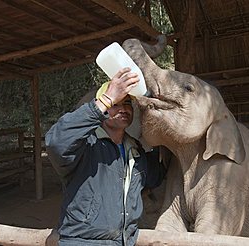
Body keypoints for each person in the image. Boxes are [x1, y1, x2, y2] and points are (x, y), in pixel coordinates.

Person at [45, 67, 167, 246]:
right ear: (101, 106)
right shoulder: (85, 146)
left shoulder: (134, 150)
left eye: (127, 103)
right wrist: (107, 99)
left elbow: (153, 177)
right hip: (84, 242)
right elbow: (56, 142)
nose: (123, 109)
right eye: (115, 104)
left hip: (124, 241)